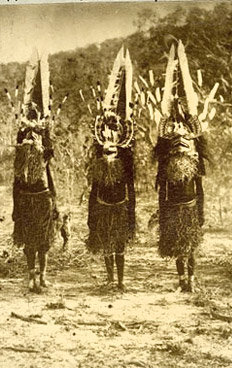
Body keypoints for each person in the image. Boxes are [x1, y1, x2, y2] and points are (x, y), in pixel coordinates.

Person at [154, 42, 210, 293]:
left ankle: (193, 277)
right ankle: (182, 280)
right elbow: (162, 191)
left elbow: (200, 189)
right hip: (174, 208)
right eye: (175, 143)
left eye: (184, 142)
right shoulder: (166, 165)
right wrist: (163, 212)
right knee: (178, 244)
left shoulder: (194, 165)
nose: (179, 143)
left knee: (191, 243)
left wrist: (200, 213)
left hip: (189, 207)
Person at [86, 47, 136, 291]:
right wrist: (91, 217)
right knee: (107, 243)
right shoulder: (98, 166)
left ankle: (121, 280)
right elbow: (93, 191)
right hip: (104, 210)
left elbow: (132, 190)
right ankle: (109, 279)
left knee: (119, 245)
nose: (109, 149)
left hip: (120, 209)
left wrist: (132, 217)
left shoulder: (125, 166)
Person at [12, 49, 58, 293]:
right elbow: (16, 177)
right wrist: (15, 207)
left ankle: (43, 274)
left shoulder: (44, 140)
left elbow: (49, 165)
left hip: (42, 197)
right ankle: (31, 276)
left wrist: (54, 201)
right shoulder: (21, 142)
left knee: (44, 240)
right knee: (29, 241)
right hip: (26, 198)